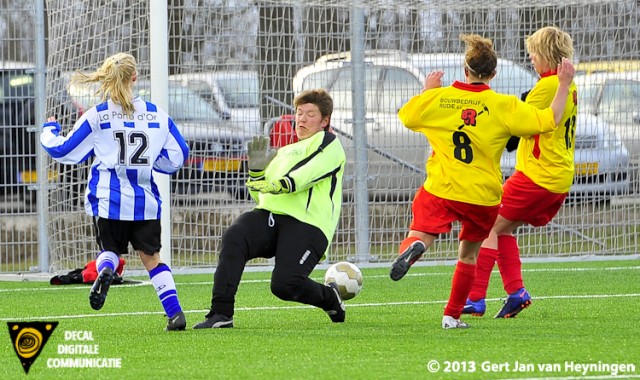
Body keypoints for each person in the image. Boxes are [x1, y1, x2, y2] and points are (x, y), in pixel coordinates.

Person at [389, 34, 577, 329]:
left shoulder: (441, 97)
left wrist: (428, 91)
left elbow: (408, 118)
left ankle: (414, 247)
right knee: (468, 255)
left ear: (465, 70)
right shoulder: (504, 104)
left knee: (422, 232)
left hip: (442, 188)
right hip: (483, 195)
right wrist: (565, 84)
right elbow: (550, 120)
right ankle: (452, 316)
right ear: (494, 73)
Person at [40, 52, 190, 331]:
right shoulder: (158, 115)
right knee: (152, 259)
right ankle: (175, 314)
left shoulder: (97, 116)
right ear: (135, 77)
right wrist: (154, 163)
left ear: (107, 78)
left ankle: (107, 269)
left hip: (109, 199)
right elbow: (179, 155)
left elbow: (64, 151)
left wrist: (49, 129)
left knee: (109, 250)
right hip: (146, 201)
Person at [193, 89, 346, 329]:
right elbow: (260, 195)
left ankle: (330, 298)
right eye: (299, 113)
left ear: (325, 121)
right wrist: (256, 172)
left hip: (307, 225)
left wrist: (277, 183)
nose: (302, 119)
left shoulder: (329, 143)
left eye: (310, 114)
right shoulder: (283, 152)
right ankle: (221, 314)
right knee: (236, 235)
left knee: (284, 285)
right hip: (270, 217)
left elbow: (303, 177)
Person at [463, 26, 578, 319]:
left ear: (546, 55)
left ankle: (475, 298)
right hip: (555, 176)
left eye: (534, 52)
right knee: (505, 230)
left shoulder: (548, 87)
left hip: (538, 176)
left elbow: (516, 130)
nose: (530, 57)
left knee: (488, 225)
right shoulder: (566, 85)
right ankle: (516, 292)